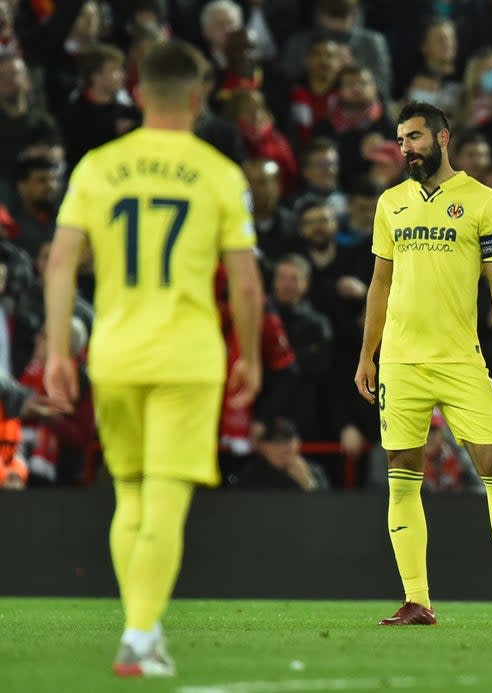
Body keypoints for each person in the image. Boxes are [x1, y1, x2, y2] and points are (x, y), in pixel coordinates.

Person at [44, 40, 263, 677]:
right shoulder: (220, 173)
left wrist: (59, 349)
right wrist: (249, 355)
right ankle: (139, 636)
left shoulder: (96, 166)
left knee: (130, 499)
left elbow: (59, 261)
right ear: (198, 99)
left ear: (137, 95)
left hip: (112, 353)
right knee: (164, 500)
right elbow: (246, 283)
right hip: (188, 355)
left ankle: (144, 629)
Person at [354, 101, 492, 628]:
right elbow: (380, 283)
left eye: (415, 138)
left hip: (460, 359)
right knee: (402, 477)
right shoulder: (391, 203)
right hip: (401, 362)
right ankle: (416, 600)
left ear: (443, 138)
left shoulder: (482, 201)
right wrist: (367, 353)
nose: (406, 148)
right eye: (401, 139)